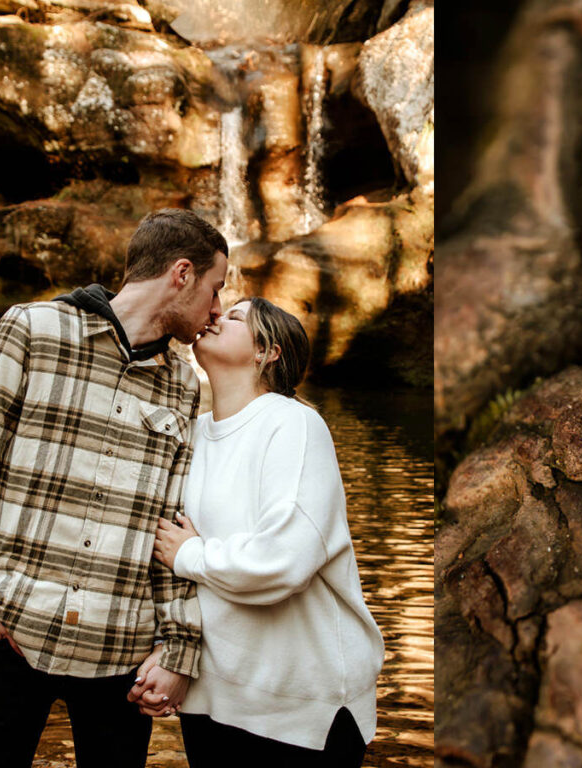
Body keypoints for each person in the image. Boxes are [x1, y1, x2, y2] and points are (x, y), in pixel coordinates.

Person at [0, 208, 229, 768]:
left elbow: (175, 525)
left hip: (122, 650)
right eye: (215, 290)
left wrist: (180, 647)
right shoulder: (32, 329)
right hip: (14, 630)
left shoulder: (185, 384)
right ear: (182, 274)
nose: (217, 311)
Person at [143, 297, 385, 767]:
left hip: (297, 708)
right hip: (212, 697)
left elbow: (283, 561)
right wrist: (167, 652)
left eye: (234, 317)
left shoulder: (293, 423)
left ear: (266, 351)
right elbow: (160, 557)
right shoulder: (190, 434)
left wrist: (192, 554)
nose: (214, 316)